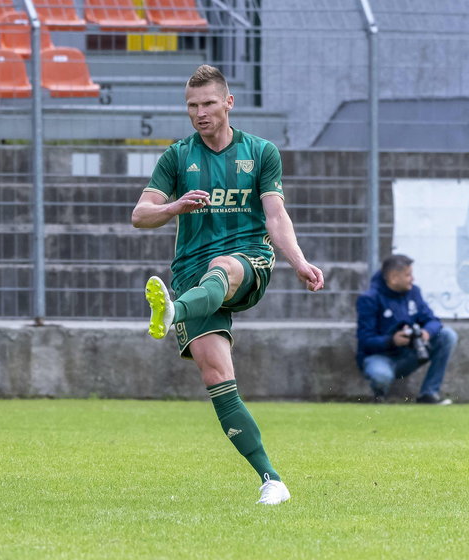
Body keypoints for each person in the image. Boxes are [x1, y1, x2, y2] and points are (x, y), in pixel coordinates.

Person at [131, 64, 324, 505]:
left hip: (248, 261)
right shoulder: (177, 157)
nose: (200, 113)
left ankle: (174, 311)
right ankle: (272, 479)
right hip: (189, 275)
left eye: (208, 103)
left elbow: (275, 215)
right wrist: (175, 207)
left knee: (224, 264)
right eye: (192, 105)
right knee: (217, 375)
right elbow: (140, 215)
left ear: (228, 103)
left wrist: (298, 261)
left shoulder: (260, 152)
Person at [355, 254, 457, 404]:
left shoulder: (414, 293)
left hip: (409, 355)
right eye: (408, 275)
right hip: (380, 357)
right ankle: (379, 396)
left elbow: (433, 321)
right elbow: (365, 340)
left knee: (447, 335)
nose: (412, 279)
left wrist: (426, 333)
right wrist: (392, 340)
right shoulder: (369, 299)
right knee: (381, 376)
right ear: (394, 277)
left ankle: (428, 394)